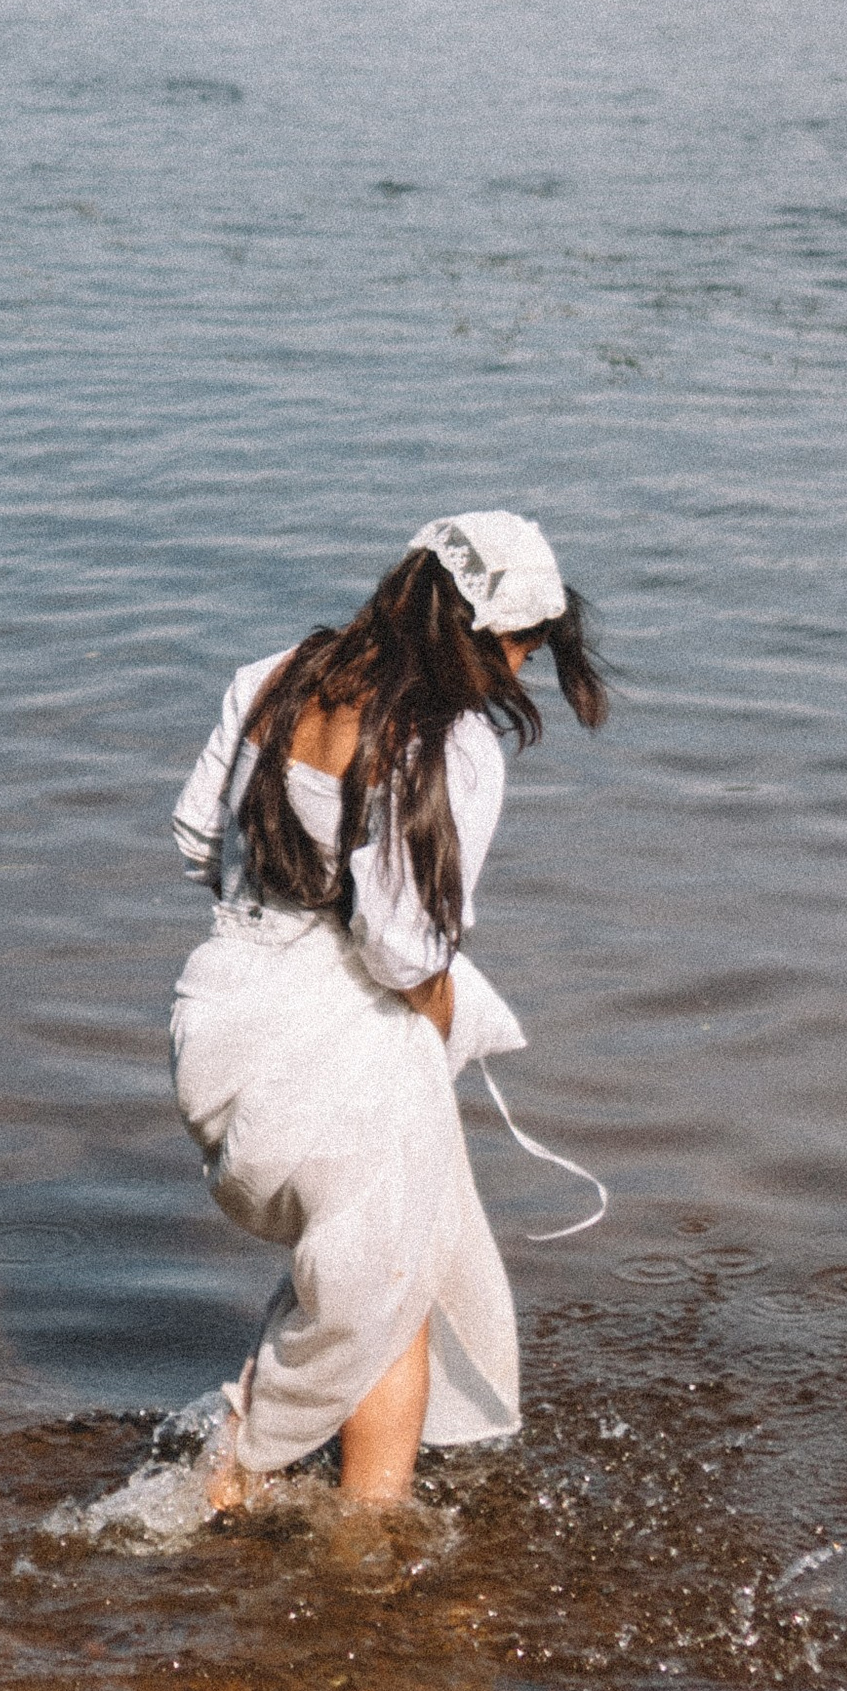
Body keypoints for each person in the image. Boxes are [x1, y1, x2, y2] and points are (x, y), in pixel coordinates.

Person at [168, 512, 607, 1511]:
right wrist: (449, 1019)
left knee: (376, 1294)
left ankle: (271, 1511)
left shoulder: (270, 676)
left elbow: (197, 840)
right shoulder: (449, 746)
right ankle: (310, 1527)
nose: (522, 674)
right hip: (342, 1048)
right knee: (384, 1299)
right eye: (522, 651)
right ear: (481, 634)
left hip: (220, 1028)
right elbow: (403, 948)